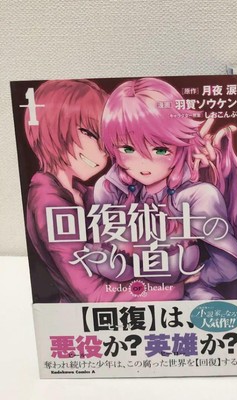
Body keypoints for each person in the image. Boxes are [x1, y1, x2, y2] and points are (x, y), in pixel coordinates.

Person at [25, 79, 184, 302]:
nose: (103, 150)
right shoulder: (49, 202)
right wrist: (176, 287)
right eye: (90, 133)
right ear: (52, 127)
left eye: (106, 137)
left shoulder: (83, 192)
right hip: (84, 315)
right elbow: (93, 294)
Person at [93, 78, 237, 300]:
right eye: (128, 149)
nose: (144, 162)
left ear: (180, 145)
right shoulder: (110, 189)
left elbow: (229, 267)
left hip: (181, 298)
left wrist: (200, 279)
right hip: (121, 302)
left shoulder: (197, 196)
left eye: (160, 150)